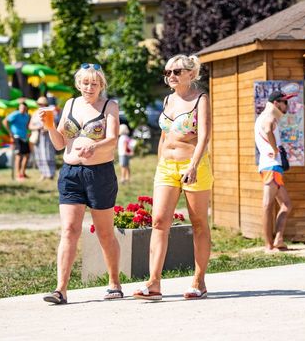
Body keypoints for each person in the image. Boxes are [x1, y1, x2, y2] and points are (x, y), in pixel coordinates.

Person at [41, 63, 123, 304]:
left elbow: (112, 139)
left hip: (100, 175)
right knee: (69, 230)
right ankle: (60, 289)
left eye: (94, 83)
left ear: (101, 85)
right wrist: (49, 126)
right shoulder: (70, 104)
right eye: (85, 82)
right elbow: (59, 143)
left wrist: (94, 146)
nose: (89, 87)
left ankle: (114, 283)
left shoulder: (109, 106)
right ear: (78, 84)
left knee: (105, 233)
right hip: (70, 174)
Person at [133, 54, 212, 301]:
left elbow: (204, 136)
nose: (171, 76)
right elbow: (165, 135)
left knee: (198, 223)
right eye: (167, 72)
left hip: (193, 166)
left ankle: (199, 281)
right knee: (159, 222)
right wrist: (160, 162)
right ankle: (154, 282)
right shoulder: (168, 99)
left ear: (191, 73)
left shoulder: (200, 99)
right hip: (167, 167)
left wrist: (194, 166)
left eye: (177, 71)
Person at [254, 90, 296, 252]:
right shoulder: (269, 117)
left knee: (286, 205)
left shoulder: (263, 117)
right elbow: (268, 130)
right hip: (271, 166)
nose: (287, 105)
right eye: (285, 102)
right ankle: (268, 245)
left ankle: (278, 239)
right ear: (276, 103)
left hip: (272, 167)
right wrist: (275, 149)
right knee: (267, 205)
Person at [29, 96, 57, 180]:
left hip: (47, 137)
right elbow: (30, 126)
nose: (40, 105)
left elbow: (54, 125)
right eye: (39, 104)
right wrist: (38, 128)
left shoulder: (49, 112)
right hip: (38, 137)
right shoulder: (35, 113)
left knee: (48, 154)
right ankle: (43, 174)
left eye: (42, 104)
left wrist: (46, 128)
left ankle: (51, 174)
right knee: (39, 155)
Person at [3, 101, 31, 181]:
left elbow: (26, 126)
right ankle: (18, 174)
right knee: (18, 155)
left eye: (24, 108)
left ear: (26, 108)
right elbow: (5, 121)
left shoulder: (27, 116)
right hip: (16, 136)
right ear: (18, 108)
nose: (22, 109)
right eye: (21, 107)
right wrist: (10, 132)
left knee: (27, 155)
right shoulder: (15, 114)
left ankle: (23, 173)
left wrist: (28, 132)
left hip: (24, 137)